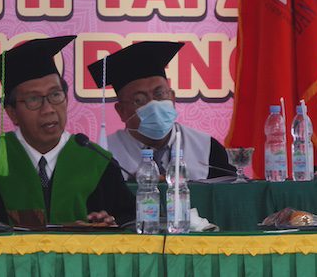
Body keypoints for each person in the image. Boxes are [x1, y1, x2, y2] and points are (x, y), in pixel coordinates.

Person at [0, 35, 134, 226]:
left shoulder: (98, 162)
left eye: (55, 95)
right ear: (12, 113)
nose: (48, 109)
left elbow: (130, 226)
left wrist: (110, 225)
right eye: (33, 99)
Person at [86, 41, 232, 179]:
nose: (154, 105)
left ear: (173, 98)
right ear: (121, 111)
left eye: (160, 94)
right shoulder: (104, 155)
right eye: (139, 100)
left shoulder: (206, 148)